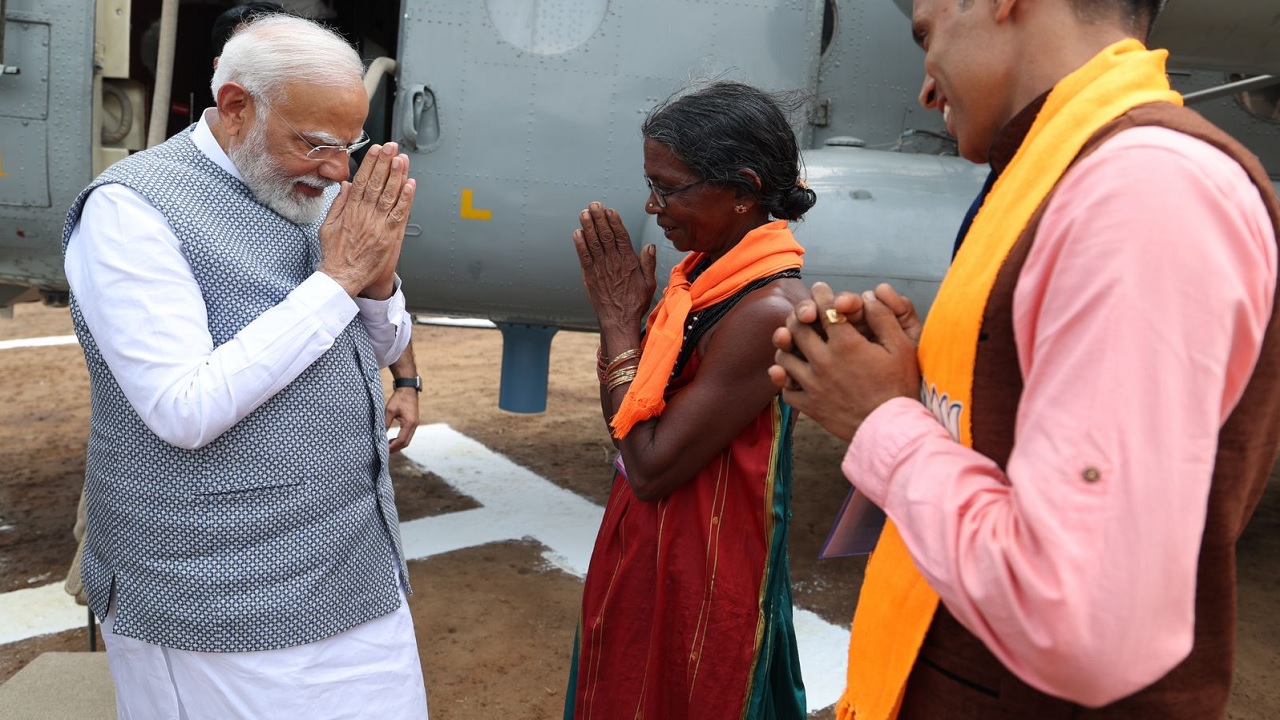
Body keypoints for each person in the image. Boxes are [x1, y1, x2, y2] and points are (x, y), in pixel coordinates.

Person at [770, 0, 1280, 718]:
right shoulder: (1071, 170)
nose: (925, 88)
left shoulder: (1142, 193)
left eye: (926, 34)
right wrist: (919, 387)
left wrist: (880, 420)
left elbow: (1083, 620)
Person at [62, 14, 429, 718]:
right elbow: (183, 407)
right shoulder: (133, 210)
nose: (336, 169)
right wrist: (338, 281)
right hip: (215, 600)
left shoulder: (309, 190)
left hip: (355, 572)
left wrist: (377, 284)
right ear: (236, 108)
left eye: (347, 145)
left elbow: (375, 350)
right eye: (315, 143)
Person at [564, 81, 816, 719]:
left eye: (669, 187)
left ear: (742, 190)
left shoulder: (765, 310)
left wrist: (621, 327)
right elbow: (630, 433)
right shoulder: (698, 282)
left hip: (703, 576)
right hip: (652, 557)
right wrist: (623, 330)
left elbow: (648, 467)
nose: (654, 207)